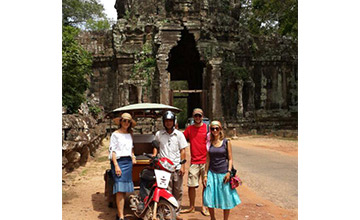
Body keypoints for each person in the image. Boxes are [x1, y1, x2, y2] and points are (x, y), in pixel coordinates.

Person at [153, 111, 188, 220]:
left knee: (177, 190)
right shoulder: (159, 134)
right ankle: (167, 212)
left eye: (170, 121)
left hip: (176, 167)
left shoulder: (179, 134)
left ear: (174, 122)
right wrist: (154, 157)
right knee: (166, 190)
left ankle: (176, 212)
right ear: (164, 122)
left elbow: (183, 150)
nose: (168, 123)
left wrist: (183, 166)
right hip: (163, 168)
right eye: (166, 121)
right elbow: (155, 146)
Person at [203, 121, 241, 220]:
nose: (215, 130)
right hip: (212, 172)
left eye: (217, 128)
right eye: (212, 129)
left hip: (223, 173)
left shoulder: (226, 142)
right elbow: (208, 160)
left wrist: (229, 172)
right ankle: (212, 218)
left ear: (220, 129)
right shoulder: (209, 143)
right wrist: (205, 174)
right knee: (209, 195)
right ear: (210, 130)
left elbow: (230, 158)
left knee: (226, 196)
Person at [181, 108, 210, 216]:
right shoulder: (189, 129)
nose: (197, 118)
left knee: (206, 184)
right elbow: (181, 139)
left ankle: (204, 206)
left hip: (206, 161)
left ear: (202, 116)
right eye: (196, 116)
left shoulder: (207, 128)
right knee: (191, 185)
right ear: (193, 117)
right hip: (194, 161)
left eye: (199, 116)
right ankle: (192, 206)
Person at [108, 113, 137, 220]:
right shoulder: (115, 134)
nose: (126, 123)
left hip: (128, 162)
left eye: (128, 121)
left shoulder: (130, 134)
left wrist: (133, 156)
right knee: (120, 188)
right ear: (120, 121)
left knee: (124, 188)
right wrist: (116, 165)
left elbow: (131, 147)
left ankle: (121, 214)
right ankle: (121, 216)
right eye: (124, 120)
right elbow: (113, 151)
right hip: (119, 162)